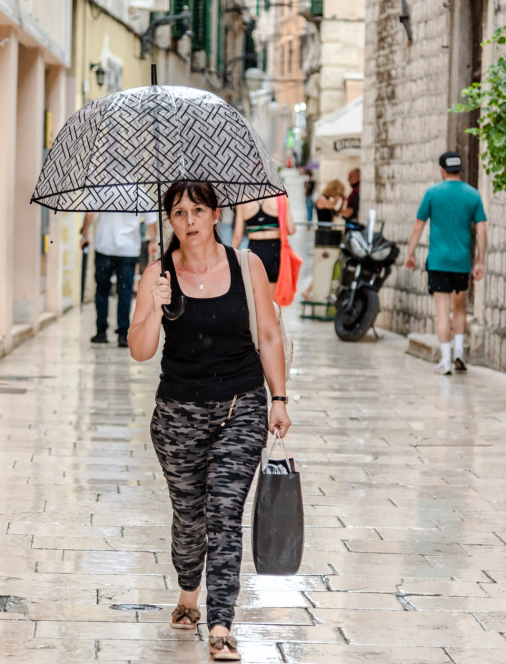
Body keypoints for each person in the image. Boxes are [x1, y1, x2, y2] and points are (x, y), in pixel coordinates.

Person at [128, 181, 291, 662]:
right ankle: (187, 590)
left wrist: (279, 398)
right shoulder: (157, 274)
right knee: (189, 517)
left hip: (240, 407)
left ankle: (221, 623)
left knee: (224, 512)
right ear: (170, 221)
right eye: (179, 212)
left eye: (198, 210)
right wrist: (156, 308)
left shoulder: (247, 265)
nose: (189, 220)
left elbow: (268, 335)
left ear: (216, 214)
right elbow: (140, 350)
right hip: (177, 416)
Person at [403, 151, 487, 375]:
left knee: (442, 312)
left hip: (439, 261)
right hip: (462, 261)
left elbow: (418, 226)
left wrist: (410, 253)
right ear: (460, 170)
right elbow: (482, 229)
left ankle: (446, 361)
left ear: (442, 170)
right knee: (460, 308)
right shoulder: (473, 194)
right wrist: (480, 261)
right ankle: (459, 351)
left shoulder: (432, 193)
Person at [81, 212, 158, 347]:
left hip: (104, 247)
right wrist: (153, 240)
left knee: (102, 291)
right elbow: (151, 221)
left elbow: (90, 213)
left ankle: (101, 332)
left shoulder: (101, 196)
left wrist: (84, 234)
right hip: (128, 250)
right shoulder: (140, 197)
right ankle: (122, 335)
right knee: (125, 293)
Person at [231, 194, 296, 299]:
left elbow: (237, 236)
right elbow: (291, 229)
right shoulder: (279, 197)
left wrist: (230, 259)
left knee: (256, 298)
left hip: (254, 252)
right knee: (272, 300)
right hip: (274, 252)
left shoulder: (242, 200)